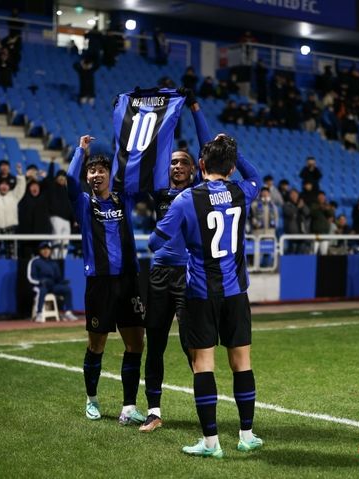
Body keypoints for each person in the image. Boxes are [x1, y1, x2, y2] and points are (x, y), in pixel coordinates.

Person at [149, 134, 263, 457]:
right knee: (242, 363)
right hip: (236, 292)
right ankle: (246, 434)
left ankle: (211, 442)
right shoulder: (242, 191)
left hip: (199, 292)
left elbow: (155, 243)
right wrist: (233, 153)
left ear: (200, 166)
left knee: (204, 365)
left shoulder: (186, 199)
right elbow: (255, 176)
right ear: (229, 168)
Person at [140, 89, 211, 433]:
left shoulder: (200, 192)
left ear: (195, 169)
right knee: (154, 342)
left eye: (185, 162)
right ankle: (154, 411)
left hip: (189, 275)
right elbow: (154, 146)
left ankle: (204, 415)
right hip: (158, 275)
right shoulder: (160, 191)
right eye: (174, 162)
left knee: (191, 344)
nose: (178, 166)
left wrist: (194, 109)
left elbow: (208, 146)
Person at [67, 135, 146, 425]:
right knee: (96, 345)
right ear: (87, 176)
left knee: (136, 343)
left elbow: (135, 171)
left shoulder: (122, 198)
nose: (96, 174)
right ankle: (91, 400)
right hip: (99, 283)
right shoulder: (83, 203)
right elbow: (69, 180)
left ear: (110, 174)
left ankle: (128, 407)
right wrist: (81, 151)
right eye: (91, 170)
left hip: (129, 281)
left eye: (101, 170)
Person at [27, 242, 77, 322]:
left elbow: (57, 278)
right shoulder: (35, 261)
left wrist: (62, 282)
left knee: (67, 289)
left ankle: (68, 312)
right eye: (43, 249)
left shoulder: (53, 263)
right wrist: (40, 282)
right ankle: (39, 314)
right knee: (42, 290)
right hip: (39, 286)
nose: (46, 251)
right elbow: (30, 278)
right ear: (40, 250)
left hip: (52, 286)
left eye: (47, 249)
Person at [0, 164, 25, 259]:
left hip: (10, 228)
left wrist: (20, 174)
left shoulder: (14, 196)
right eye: (2, 184)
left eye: (6, 185)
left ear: (9, 187)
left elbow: (21, 186)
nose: (4, 187)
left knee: (11, 254)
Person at [43, 162, 74, 261]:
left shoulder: (67, 190)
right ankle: (55, 259)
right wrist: (52, 163)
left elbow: (71, 206)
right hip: (55, 217)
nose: (62, 179)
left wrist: (73, 219)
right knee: (56, 240)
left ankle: (62, 260)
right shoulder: (53, 187)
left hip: (67, 220)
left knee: (65, 241)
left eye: (64, 177)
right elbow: (49, 177)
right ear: (56, 178)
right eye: (60, 177)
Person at [18, 180, 52, 260]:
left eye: (37, 186)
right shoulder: (24, 200)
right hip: (26, 238)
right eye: (32, 186)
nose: (35, 188)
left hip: (41, 237)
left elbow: (49, 184)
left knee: (41, 260)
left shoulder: (44, 199)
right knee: (26, 259)